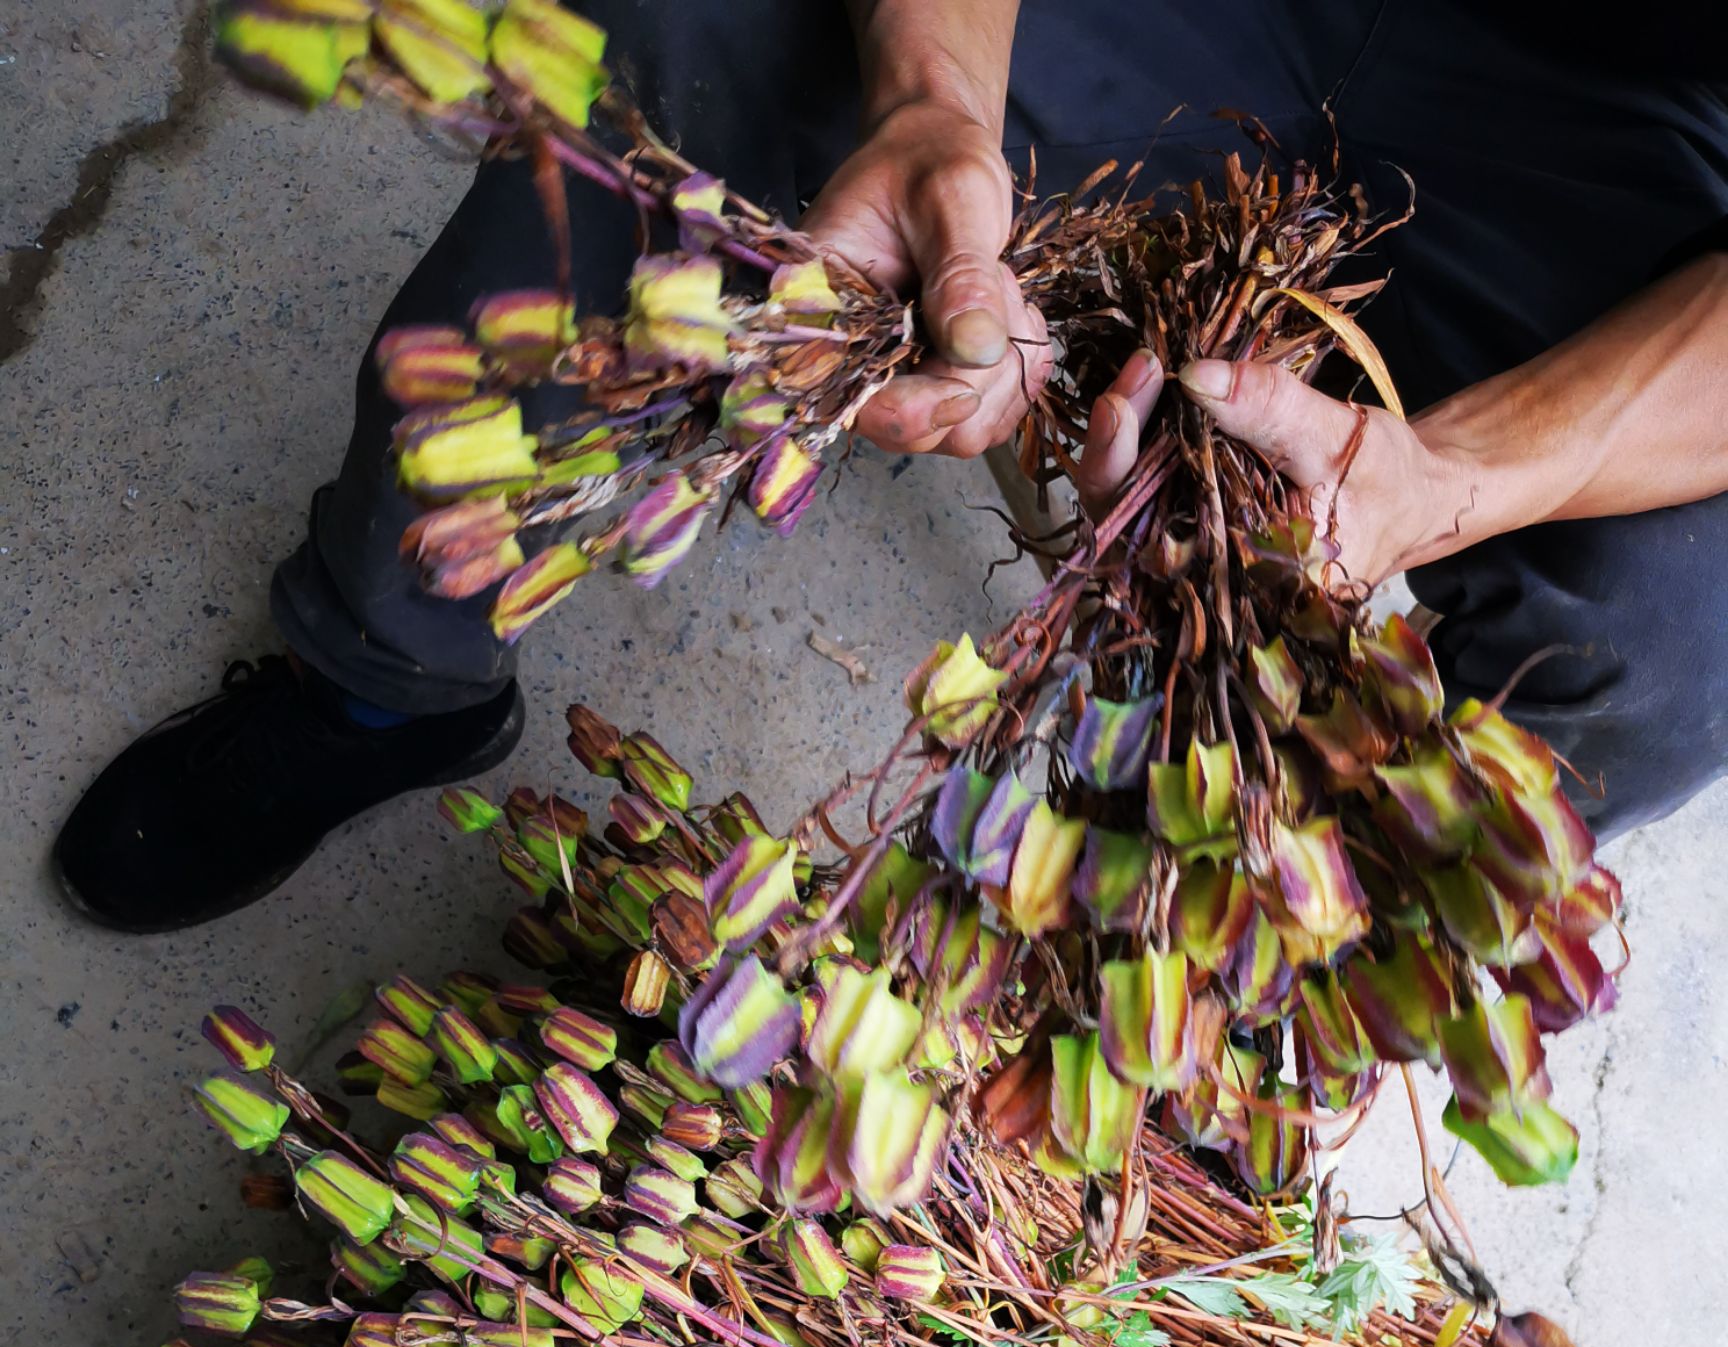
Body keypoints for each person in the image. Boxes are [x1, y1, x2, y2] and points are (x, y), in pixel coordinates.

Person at [53, 0, 1728, 933]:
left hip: (1631, 144)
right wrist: (932, 97)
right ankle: (383, 677)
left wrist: (1459, 474)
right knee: (711, 62)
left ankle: (1196, 957)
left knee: (1663, 640)